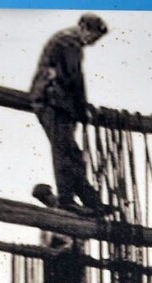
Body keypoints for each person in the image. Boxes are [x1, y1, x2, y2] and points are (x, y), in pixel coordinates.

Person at [30, 14, 110, 216]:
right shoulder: (68, 42)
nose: (93, 42)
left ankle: (91, 201)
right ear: (84, 28)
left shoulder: (68, 41)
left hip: (58, 103)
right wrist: (82, 109)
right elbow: (73, 78)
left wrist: (79, 107)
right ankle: (67, 200)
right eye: (93, 36)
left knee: (71, 153)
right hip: (53, 102)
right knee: (64, 152)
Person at [25, 184, 89, 283]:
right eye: (41, 199)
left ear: (50, 194)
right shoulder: (47, 213)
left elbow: (82, 234)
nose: (44, 201)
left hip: (71, 257)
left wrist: (65, 248)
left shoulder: (69, 208)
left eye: (44, 197)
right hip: (54, 259)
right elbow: (46, 238)